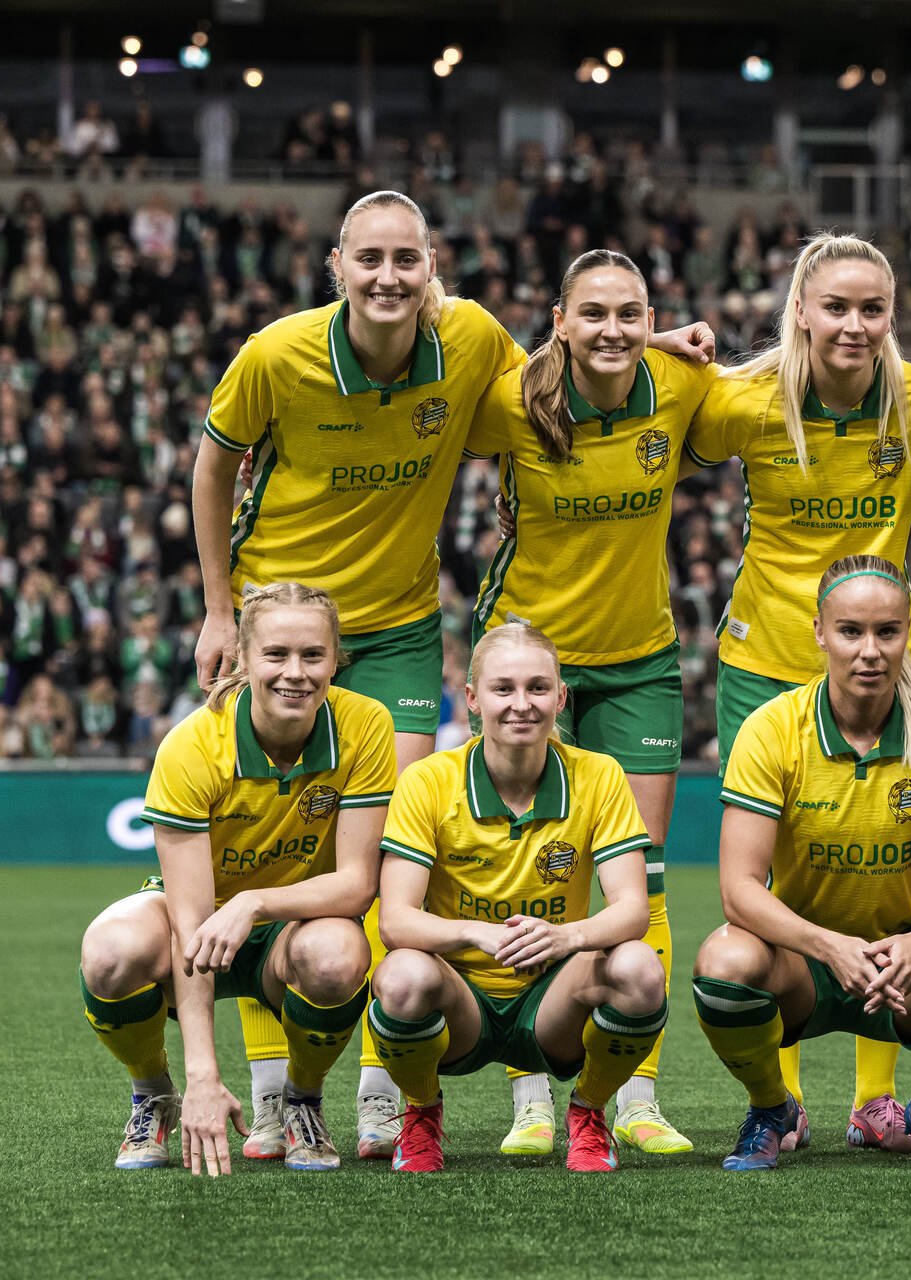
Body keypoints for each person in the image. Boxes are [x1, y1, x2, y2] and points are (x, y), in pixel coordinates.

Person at [191, 189, 708, 1158]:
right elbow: (212, 467)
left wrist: (651, 340)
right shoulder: (276, 354)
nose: (388, 276)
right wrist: (221, 609)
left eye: (407, 259)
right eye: (370, 258)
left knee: (385, 846)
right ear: (337, 267)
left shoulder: (471, 341)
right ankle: (275, 1095)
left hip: (393, 629)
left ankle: (388, 1088)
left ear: (433, 269)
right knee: (273, 853)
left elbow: (559, 373)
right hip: (282, 626)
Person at [684, 233, 911, 1151]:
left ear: (892, 317)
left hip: (884, 653)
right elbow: (663, 426)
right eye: (837, 307)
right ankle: (776, 1106)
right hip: (768, 657)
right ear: (801, 312)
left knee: (894, 873)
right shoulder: (747, 398)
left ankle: (875, 1098)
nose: (855, 325)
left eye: (873, 309)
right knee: (779, 880)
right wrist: (670, 346)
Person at [464, 249, 717, 1156]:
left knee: (639, 873)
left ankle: (632, 1094)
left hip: (640, 662)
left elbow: (773, 389)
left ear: (652, 319)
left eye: (631, 313)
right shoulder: (506, 402)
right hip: (529, 662)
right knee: (522, 867)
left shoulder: (682, 387)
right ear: (560, 322)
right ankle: (531, 1089)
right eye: (594, 313)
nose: (613, 330)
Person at [692, 556, 911, 1171]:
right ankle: (772, 1107)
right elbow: (738, 890)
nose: (871, 651)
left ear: (910, 634)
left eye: (888, 631)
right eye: (851, 631)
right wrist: (829, 946)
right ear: (820, 632)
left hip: (910, 969)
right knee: (723, 962)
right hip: (803, 962)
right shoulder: (771, 730)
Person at [78, 583, 394, 1175]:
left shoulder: (367, 724)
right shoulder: (192, 745)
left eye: (312, 656)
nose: (295, 674)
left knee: (336, 955)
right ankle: (155, 1093)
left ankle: (301, 1100)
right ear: (243, 659)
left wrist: (252, 902)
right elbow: (189, 921)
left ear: (335, 659)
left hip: (292, 925)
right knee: (110, 950)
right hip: (197, 924)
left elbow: (356, 884)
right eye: (276, 655)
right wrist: (203, 1076)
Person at [368, 623, 668, 1173]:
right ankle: (421, 1113)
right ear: (473, 698)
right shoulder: (429, 780)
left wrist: (568, 937)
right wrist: (475, 933)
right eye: (503, 689)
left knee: (640, 969)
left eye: (537, 688)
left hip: (554, 999)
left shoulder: (598, 775)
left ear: (561, 697)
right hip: (462, 1000)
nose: (521, 705)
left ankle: (589, 1112)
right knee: (403, 976)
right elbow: (396, 920)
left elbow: (632, 909)